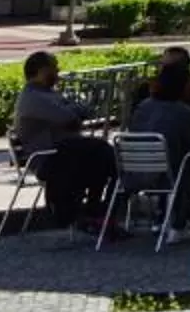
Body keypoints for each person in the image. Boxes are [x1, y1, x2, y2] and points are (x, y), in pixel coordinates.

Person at [12, 51, 116, 235]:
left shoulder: (48, 94)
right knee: (102, 152)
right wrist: (72, 110)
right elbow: (69, 118)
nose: (58, 71)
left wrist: (72, 110)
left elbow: (85, 110)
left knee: (102, 156)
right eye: (54, 66)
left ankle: (96, 210)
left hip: (64, 154)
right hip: (49, 159)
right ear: (42, 71)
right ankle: (95, 211)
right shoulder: (34, 98)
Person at [123, 63, 190, 242]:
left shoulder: (142, 107)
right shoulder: (184, 113)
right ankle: (178, 224)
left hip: (133, 172)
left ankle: (160, 219)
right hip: (168, 176)